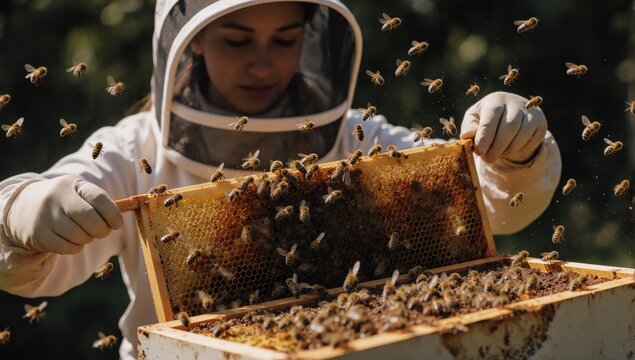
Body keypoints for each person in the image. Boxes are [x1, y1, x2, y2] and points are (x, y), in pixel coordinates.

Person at [0, 0, 561, 358]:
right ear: (190, 40)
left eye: (285, 39)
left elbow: (489, 206)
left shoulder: (356, 139)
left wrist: (512, 155)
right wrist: (21, 212)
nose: (263, 65)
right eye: (238, 41)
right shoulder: (133, 150)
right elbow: (35, 270)